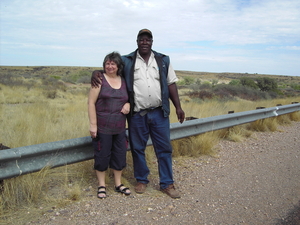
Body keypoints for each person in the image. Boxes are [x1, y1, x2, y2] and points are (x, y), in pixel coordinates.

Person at [91, 29, 185, 198]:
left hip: (159, 113)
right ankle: (141, 180)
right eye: (141, 39)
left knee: (164, 149)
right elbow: (111, 69)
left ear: (152, 42)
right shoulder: (127, 60)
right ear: (137, 41)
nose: (144, 42)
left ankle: (167, 184)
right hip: (137, 114)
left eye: (147, 39)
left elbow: (171, 84)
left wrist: (178, 107)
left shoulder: (163, 60)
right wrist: (96, 73)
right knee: (137, 148)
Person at [88, 51, 131, 199]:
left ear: (118, 66)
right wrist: (93, 125)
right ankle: (102, 185)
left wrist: (128, 104)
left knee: (119, 156)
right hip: (103, 127)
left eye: (113, 63)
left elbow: (130, 97)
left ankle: (118, 184)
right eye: (107, 63)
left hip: (119, 127)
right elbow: (91, 103)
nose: (110, 66)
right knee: (102, 156)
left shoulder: (124, 80)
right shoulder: (99, 80)